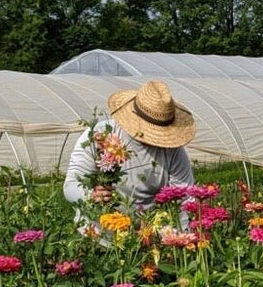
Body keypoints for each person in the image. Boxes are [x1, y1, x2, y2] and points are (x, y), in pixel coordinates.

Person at [63, 80, 196, 218]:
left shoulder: (172, 150)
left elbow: (184, 199)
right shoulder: (100, 135)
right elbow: (71, 186)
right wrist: (91, 196)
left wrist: (181, 236)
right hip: (96, 230)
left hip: (141, 231)